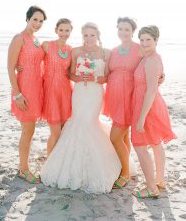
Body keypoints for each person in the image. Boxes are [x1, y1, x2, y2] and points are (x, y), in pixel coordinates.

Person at [41, 22, 135, 194]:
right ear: (82, 36)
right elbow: (69, 73)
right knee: (77, 122)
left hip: (95, 93)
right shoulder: (75, 51)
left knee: (90, 123)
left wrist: (99, 78)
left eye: (92, 35)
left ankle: (109, 164)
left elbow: (108, 75)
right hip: (79, 93)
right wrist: (78, 77)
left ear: (97, 35)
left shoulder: (106, 53)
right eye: (86, 35)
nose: (89, 38)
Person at [131, 25, 177, 198]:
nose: (144, 43)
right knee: (155, 143)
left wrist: (141, 117)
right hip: (147, 104)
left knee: (139, 145)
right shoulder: (147, 57)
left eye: (148, 40)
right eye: (141, 39)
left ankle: (151, 187)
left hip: (147, 106)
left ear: (156, 40)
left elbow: (150, 90)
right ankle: (159, 180)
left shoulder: (152, 60)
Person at [7, 5, 47, 184]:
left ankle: (24, 166)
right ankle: (23, 169)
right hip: (24, 89)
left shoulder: (36, 39)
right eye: (35, 20)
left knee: (30, 130)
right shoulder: (19, 38)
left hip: (36, 88)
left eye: (40, 21)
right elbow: (10, 66)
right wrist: (17, 94)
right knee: (27, 130)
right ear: (27, 19)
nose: (37, 24)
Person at [104, 17, 141, 189]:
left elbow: (151, 65)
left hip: (129, 97)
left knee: (115, 137)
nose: (123, 32)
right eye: (120, 29)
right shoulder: (113, 51)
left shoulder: (139, 49)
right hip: (114, 97)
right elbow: (106, 73)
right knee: (124, 136)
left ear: (133, 31)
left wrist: (160, 77)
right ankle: (125, 168)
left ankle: (125, 173)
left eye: (127, 29)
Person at [42, 19, 73, 156]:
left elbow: (71, 73)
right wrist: (21, 67)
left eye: (67, 30)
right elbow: (34, 60)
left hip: (65, 90)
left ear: (70, 32)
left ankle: (57, 160)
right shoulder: (47, 45)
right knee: (55, 132)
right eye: (61, 30)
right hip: (50, 91)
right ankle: (50, 163)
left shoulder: (70, 50)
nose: (64, 33)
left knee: (63, 129)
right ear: (56, 30)